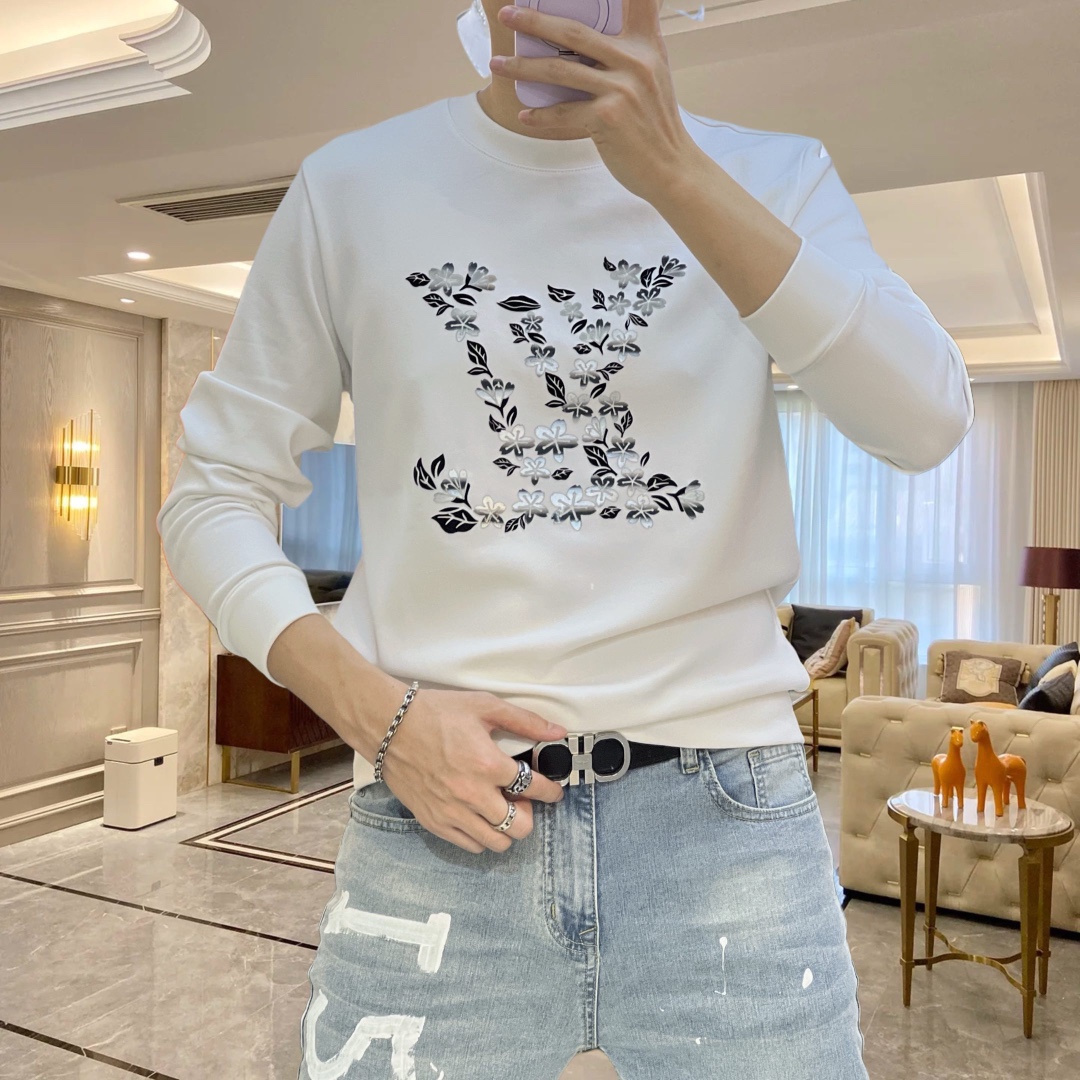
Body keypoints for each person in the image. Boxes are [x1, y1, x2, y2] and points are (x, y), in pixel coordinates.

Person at [156, 1, 974, 1077]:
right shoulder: (351, 186)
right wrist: (376, 718)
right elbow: (211, 496)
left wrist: (674, 171)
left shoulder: (771, 176)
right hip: (437, 815)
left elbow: (926, 421)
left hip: (727, 823)